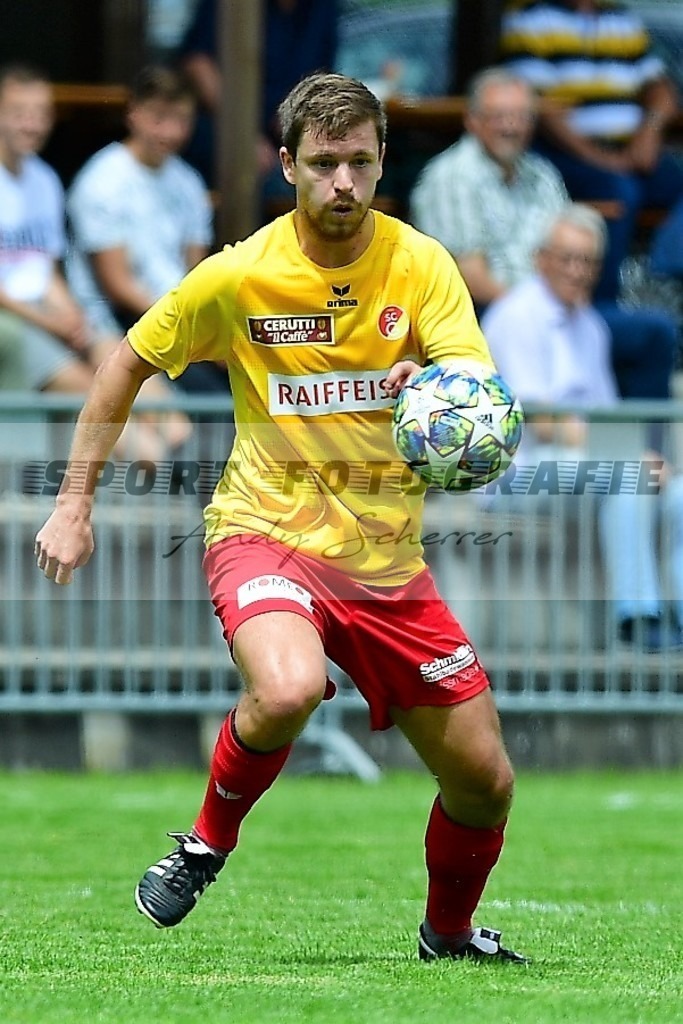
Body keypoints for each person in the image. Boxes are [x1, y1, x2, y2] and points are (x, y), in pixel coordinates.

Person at [35, 72, 527, 964]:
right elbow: (121, 367)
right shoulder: (239, 274)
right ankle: (203, 844)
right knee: (289, 686)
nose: (343, 182)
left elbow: (474, 387)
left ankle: (448, 937)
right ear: (288, 163)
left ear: (381, 166)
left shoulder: (421, 266)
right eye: (325, 163)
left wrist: (436, 390)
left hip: (385, 563)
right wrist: (74, 505)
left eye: (361, 163)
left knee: (484, 782)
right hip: (264, 533)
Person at [409, 67, 677, 406]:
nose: (512, 126)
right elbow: (471, 277)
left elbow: (568, 242)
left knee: (653, 333)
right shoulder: (450, 177)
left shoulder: (541, 173)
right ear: (473, 120)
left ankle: (648, 451)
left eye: (521, 117)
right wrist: (535, 312)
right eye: (500, 116)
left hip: (559, 306)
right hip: (489, 318)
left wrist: (571, 303)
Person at [481, 203, 683, 650]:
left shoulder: (591, 326)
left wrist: (637, 458)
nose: (579, 271)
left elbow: (605, 415)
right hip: (520, 473)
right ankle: (638, 617)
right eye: (568, 258)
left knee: (678, 492)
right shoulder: (515, 317)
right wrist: (629, 455)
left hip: (586, 468)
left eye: (589, 261)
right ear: (541, 259)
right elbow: (540, 419)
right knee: (628, 477)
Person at [500, 0, 683, 304]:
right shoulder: (531, 21)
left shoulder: (622, 20)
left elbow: (661, 89)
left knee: (671, 182)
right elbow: (541, 110)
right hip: (565, 155)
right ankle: (602, 304)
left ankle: (665, 275)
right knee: (619, 192)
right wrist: (601, 159)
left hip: (628, 150)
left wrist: (649, 132)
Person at [66, 65, 226, 395]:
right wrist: (188, 328)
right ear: (133, 114)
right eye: (159, 117)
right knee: (208, 402)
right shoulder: (102, 180)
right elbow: (118, 287)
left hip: (178, 318)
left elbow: (194, 272)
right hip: (120, 323)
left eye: (181, 120)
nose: (171, 131)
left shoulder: (189, 182)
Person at [0, 62, 93, 395]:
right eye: (19, 112)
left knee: (118, 365)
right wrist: (51, 323)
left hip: (44, 313)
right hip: (10, 319)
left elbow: (45, 269)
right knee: (92, 394)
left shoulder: (46, 180)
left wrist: (72, 314)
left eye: (41, 113)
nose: (32, 124)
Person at [177, 0, 338, 192]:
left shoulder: (324, 7)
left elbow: (322, 73)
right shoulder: (230, 6)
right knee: (272, 181)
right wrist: (244, 135)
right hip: (226, 124)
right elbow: (198, 64)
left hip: (288, 126)